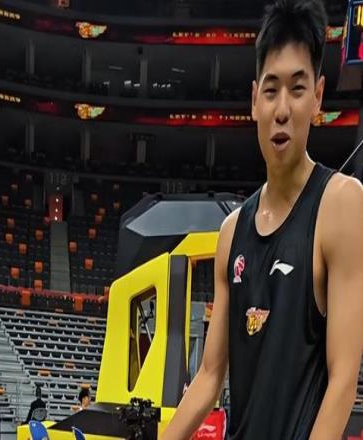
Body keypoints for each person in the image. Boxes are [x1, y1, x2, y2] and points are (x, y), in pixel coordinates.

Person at [161, 0, 363, 439]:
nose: (282, 109)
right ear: (254, 101)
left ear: (318, 97)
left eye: (297, 88)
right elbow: (209, 377)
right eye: (271, 90)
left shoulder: (341, 205)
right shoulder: (231, 232)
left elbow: (343, 379)